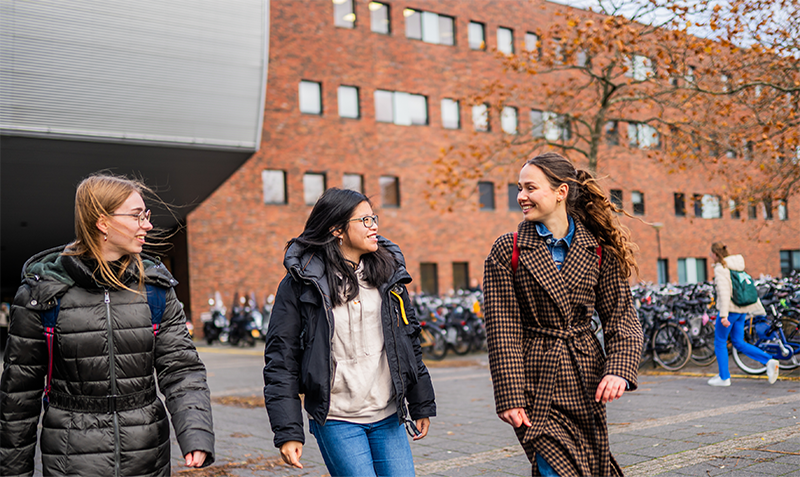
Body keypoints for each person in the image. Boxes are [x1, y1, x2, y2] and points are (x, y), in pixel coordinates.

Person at [0, 174, 215, 477]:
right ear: (103, 222)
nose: (147, 225)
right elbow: (18, 397)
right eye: (137, 215)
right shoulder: (42, 293)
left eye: (147, 215)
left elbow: (181, 369)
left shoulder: (156, 288)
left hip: (148, 458)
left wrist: (196, 433)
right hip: (71, 460)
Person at [483, 152, 643, 476]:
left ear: (561, 192)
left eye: (530, 187)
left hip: (585, 378)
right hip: (535, 381)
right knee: (555, 467)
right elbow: (503, 329)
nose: (521, 197)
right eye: (519, 188)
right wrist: (509, 394)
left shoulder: (598, 250)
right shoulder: (507, 249)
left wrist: (619, 369)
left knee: (589, 466)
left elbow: (622, 317)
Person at [263, 187, 436, 477]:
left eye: (374, 218)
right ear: (336, 230)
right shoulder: (301, 284)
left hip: (388, 414)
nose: (375, 227)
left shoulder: (389, 275)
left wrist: (420, 404)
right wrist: (288, 431)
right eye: (365, 221)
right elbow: (281, 359)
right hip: (336, 418)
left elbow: (408, 341)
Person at [708, 242, 778, 386]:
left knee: (720, 341)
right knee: (738, 342)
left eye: (711, 253)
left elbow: (724, 292)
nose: (710, 256)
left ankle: (724, 377)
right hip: (742, 310)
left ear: (715, 254)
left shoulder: (721, 268)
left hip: (730, 311)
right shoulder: (737, 266)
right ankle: (768, 360)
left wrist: (723, 315)